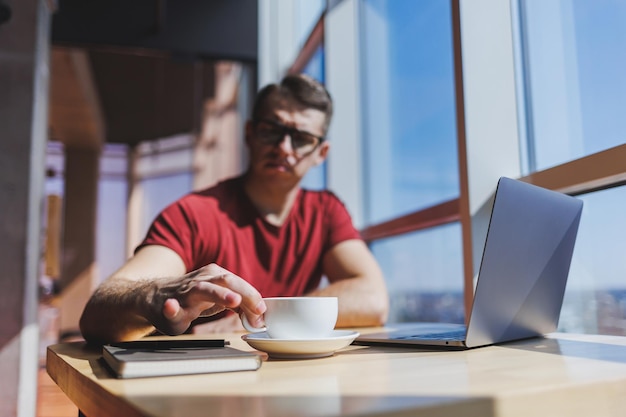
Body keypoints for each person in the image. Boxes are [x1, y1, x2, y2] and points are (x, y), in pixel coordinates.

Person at [79, 74, 389, 345]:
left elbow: (373, 298)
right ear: (250, 133)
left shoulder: (326, 211)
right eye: (272, 130)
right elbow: (97, 315)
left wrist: (266, 318)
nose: (284, 147)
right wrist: (155, 295)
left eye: (301, 138)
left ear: (321, 152)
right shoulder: (194, 213)